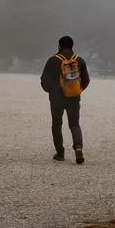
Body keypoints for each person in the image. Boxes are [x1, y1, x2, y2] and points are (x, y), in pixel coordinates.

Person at [41, 35, 91, 163]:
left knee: (57, 124)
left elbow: (44, 81)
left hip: (56, 98)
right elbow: (86, 80)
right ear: (72, 46)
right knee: (74, 124)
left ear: (59, 45)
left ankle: (60, 152)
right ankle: (78, 148)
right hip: (74, 97)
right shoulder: (79, 60)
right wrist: (77, 90)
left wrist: (52, 91)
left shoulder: (52, 60)